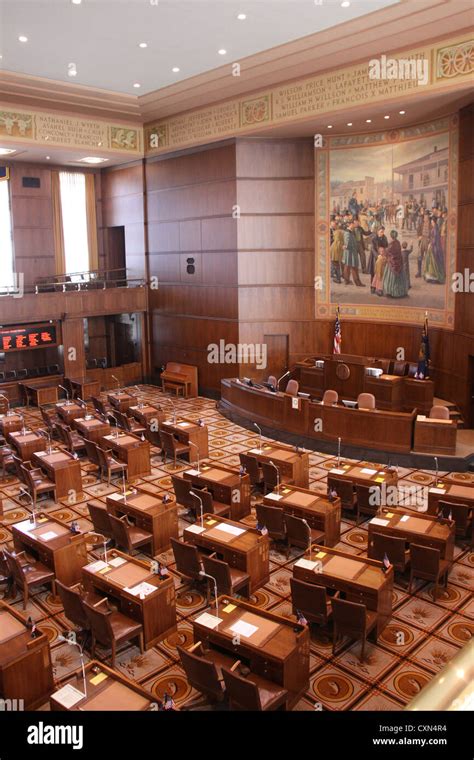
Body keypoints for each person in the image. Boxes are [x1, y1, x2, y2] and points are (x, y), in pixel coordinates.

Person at [383, 230, 408, 298]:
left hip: (392, 263)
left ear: (391, 236)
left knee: (390, 278)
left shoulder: (391, 243)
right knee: (399, 279)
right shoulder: (398, 242)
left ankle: (391, 292)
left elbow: (387, 252)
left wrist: (384, 251)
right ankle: (400, 292)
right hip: (398, 263)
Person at [423, 217, 446, 284]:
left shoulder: (435, 228)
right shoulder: (434, 228)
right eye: (431, 222)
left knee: (433, 262)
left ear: (434, 222)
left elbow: (435, 239)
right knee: (430, 262)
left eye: (432, 222)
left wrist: (431, 244)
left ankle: (435, 277)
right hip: (433, 246)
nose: (431, 223)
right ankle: (431, 276)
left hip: (434, 247)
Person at [342, 220, 364, 286]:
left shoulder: (350, 232)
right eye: (353, 224)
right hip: (350, 252)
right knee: (352, 267)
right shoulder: (347, 233)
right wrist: (347, 246)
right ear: (350, 224)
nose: (354, 225)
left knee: (348, 266)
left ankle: (348, 281)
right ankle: (356, 282)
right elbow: (347, 244)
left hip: (351, 252)